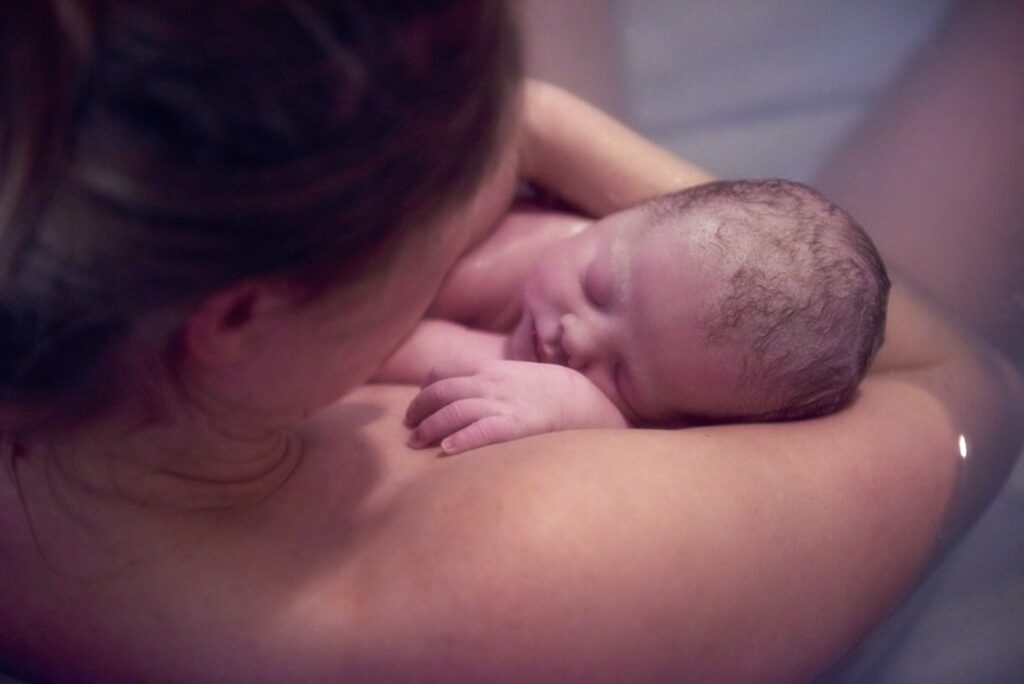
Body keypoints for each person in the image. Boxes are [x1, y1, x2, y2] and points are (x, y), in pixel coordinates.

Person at [0, 3, 1020, 683]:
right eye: (465, 175)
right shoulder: (502, 580)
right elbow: (965, 390)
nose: (518, 170)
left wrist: (649, 242)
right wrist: (546, 125)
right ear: (240, 316)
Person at [376, 179, 889, 454]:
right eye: (597, 290)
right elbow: (383, 342)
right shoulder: (517, 235)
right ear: (616, 214)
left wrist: (589, 414)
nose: (576, 340)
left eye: (626, 381)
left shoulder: (603, 415)